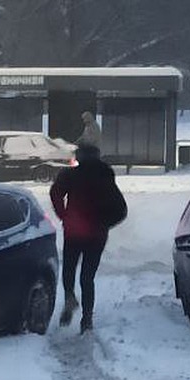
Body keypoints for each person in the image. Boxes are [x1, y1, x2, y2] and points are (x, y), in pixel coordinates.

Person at [49, 143, 126, 333]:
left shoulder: (70, 176)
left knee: (68, 269)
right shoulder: (106, 179)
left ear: (80, 157)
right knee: (87, 277)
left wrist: (64, 215)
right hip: (97, 235)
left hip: (74, 231)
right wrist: (105, 224)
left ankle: (69, 297)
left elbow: (55, 193)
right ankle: (87, 319)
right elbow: (121, 210)